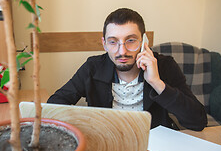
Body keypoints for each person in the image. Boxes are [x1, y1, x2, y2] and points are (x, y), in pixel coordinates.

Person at [47, 8, 207, 131]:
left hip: (154, 145)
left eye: (130, 40)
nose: (122, 51)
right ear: (104, 44)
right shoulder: (93, 67)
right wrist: (89, 125)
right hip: (108, 143)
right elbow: (54, 104)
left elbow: (198, 121)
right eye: (113, 42)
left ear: (144, 41)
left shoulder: (164, 65)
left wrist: (157, 82)